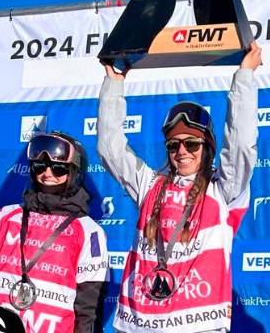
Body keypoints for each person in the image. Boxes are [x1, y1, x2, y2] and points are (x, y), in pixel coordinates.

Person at [97, 44, 261, 333]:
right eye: (174, 145)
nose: (182, 151)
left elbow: (240, 146)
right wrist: (114, 84)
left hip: (198, 324)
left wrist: (244, 76)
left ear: (207, 147)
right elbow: (110, 149)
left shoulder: (222, 190)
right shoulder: (150, 185)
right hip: (139, 323)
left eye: (192, 144)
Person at [0, 132, 109, 333]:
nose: (47, 173)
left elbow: (88, 307)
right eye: (40, 166)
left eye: (58, 168)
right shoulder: (6, 216)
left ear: (74, 174)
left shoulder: (88, 230)